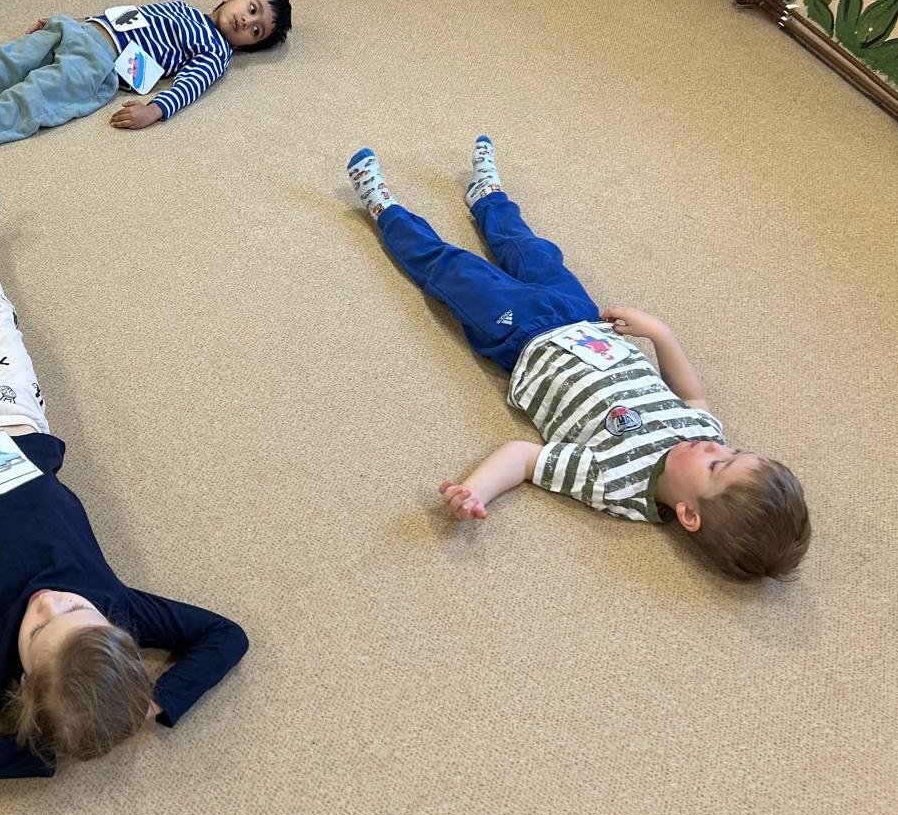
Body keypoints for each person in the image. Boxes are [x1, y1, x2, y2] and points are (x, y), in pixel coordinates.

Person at [0, 184, 248, 785]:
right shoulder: (121, 609)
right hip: (18, 419)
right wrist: (155, 703)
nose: (48, 602)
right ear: (115, 629)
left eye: (37, 629)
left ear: (22, 686)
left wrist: (47, 753)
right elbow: (226, 636)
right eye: (75, 608)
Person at [346, 136, 811, 582]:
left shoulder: (615, 484)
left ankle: (386, 211)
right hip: (585, 319)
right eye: (735, 452)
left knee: (453, 269)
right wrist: (660, 334)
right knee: (531, 250)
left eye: (716, 466)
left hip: (522, 340)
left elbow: (525, 457)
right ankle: (488, 196)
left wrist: (478, 489)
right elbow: (693, 397)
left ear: (689, 514)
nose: (716, 448)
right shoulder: (704, 436)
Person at [0, 0, 292, 167]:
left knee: (30, 99)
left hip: (98, 65)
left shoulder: (217, 53)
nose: (246, 22)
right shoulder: (181, 6)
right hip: (80, 30)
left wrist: (155, 110)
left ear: (246, 47)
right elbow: (128, 16)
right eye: (251, 9)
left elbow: (191, 85)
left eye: (256, 32)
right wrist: (71, 21)